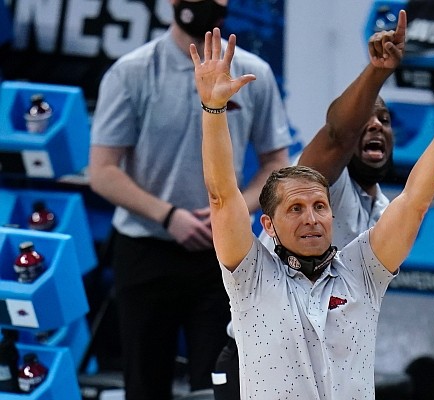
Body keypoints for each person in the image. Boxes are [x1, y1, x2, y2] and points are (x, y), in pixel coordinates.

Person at [192, 22, 434, 399]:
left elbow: (416, 200)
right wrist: (213, 110)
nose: (311, 218)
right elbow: (221, 196)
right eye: (295, 209)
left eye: (319, 206)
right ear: (269, 224)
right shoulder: (249, 276)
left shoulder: (363, 270)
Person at [88, 0, 293, 398]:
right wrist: (168, 216)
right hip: (146, 249)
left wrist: (231, 209)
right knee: (145, 386)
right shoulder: (131, 72)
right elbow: (103, 170)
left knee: (219, 385)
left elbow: (276, 163)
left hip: (224, 254)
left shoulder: (255, 74)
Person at [211, 11, 407, 399]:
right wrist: (376, 72)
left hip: (323, 363)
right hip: (257, 359)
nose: (375, 126)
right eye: (366, 119)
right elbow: (338, 133)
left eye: (384, 119)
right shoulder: (318, 187)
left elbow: (417, 198)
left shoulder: (384, 210)